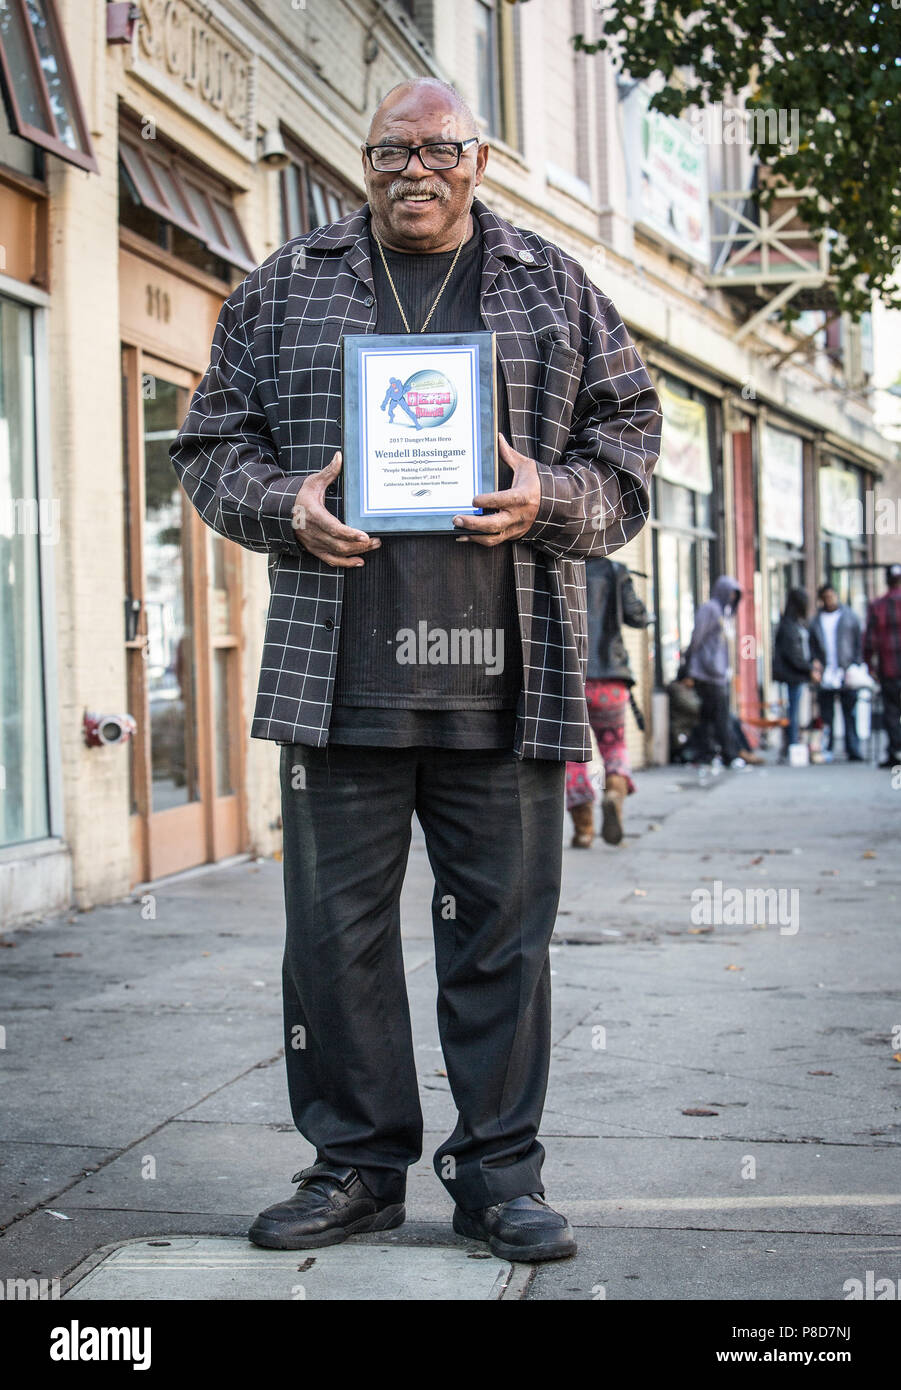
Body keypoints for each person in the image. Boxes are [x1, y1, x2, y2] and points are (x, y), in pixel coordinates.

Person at [170, 78, 661, 1265]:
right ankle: (354, 1168)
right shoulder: (284, 284)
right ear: (366, 158)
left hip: (508, 676)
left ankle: (499, 1177)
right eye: (393, 150)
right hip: (336, 678)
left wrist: (551, 495)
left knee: (502, 940)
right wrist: (287, 505)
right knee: (330, 943)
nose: (415, 169)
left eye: (439, 149)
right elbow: (206, 447)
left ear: (478, 160)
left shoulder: (555, 286)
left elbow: (630, 453)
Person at [566, 559, 650, 848]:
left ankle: (583, 829)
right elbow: (638, 617)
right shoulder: (615, 571)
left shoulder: (560, 563)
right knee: (614, 746)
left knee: (571, 755)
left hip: (571, 676)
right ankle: (614, 791)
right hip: (611, 679)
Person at [685, 575, 745, 767]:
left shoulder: (725, 612)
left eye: (736, 595)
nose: (733, 599)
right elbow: (697, 637)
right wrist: (690, 662)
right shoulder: (710, 609)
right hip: (706, 672)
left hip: (718, 673)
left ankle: (707, 753)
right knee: (719, 714)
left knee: (709, 715)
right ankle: (728, 754)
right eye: (731, 594)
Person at [809, 584, 864, 761]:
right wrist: (815, 664)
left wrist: (856, 664)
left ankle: (853, 749)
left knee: (850, 713)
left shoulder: (849, 617)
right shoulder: (816, 620)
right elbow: (812, 647)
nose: (829, 600)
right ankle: (828, 749)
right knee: (827, 716)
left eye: (831, 596)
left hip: (845, 671)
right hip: (826, 674)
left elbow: (858, 643)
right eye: (825, 597)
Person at [772, 587, 821, 757]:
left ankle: (793, 744)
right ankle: (792, 745)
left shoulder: (796, 623)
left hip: (797, 675)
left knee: (794, 711)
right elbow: (793, 654)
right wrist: (809, 669)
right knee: (792, 712)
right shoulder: (788, 626)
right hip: (791, 675)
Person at [864, 563, 901, 769]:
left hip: (890, 669)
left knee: (892, 711)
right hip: (890, 667)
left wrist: (870, 665)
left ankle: (896, 751)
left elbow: (869, 641)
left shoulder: (878, 605)